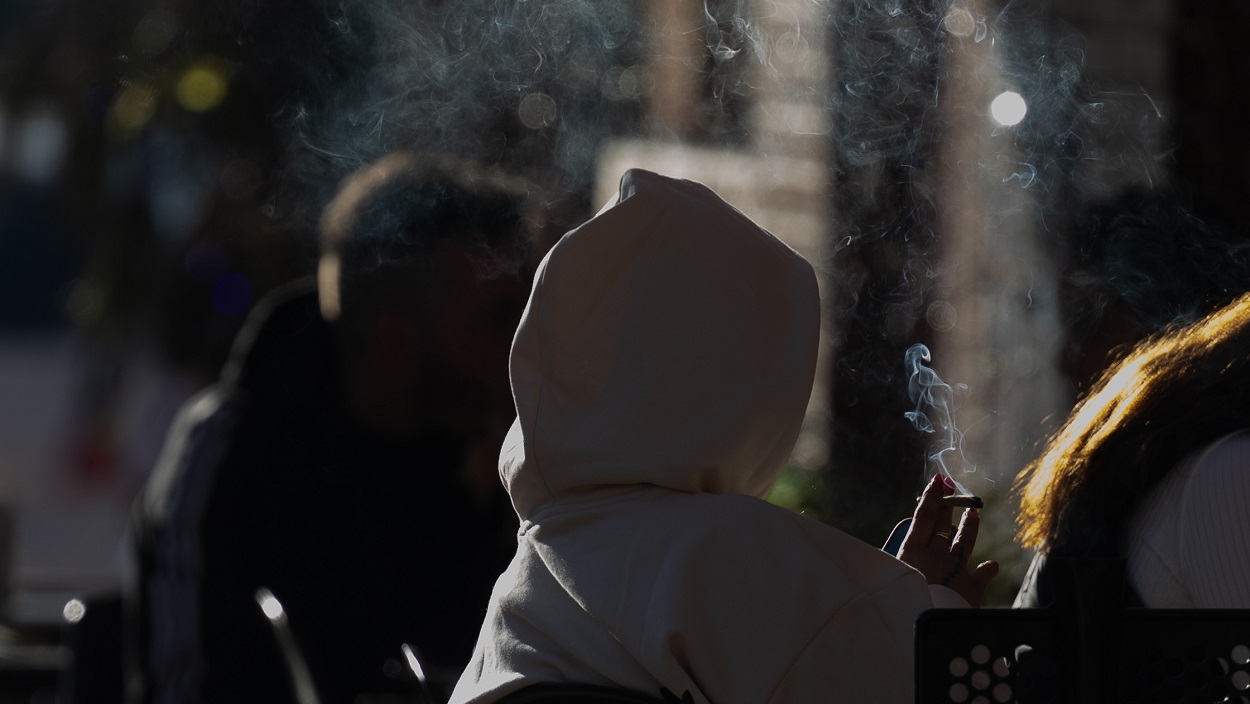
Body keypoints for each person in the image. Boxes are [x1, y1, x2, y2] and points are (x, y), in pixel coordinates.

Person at [449, 169, 998, 704]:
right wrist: (936, 613)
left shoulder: (538, 560)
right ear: (736, 375)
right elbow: (888, 678)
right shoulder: (725, 549)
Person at [126, 152, 535, 704]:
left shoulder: (509, 458)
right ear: (396, 341)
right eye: (502, 317)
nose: (527, 346)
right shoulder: (233, 455)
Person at [1013, 188, 1250, 609]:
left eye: (1089, 323)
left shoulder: (1219, 467)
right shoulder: (1223, 469)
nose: (1067, 359)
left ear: (1174, 330)